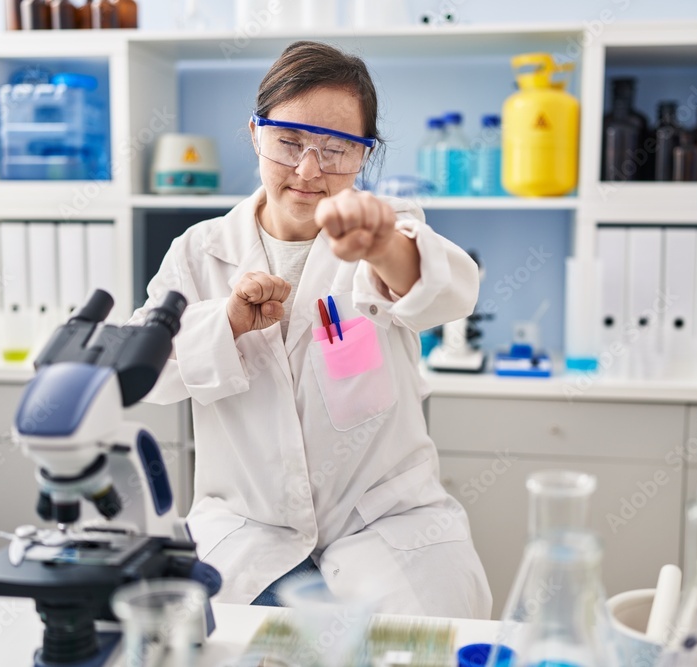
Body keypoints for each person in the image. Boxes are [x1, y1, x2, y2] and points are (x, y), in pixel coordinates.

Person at [128, 40, 492, 619]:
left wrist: (382, 247)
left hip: (387, 529)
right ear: (256, 134)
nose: (309, 170)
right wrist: (225, 323)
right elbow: (145, 371)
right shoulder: (199, 252)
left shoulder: (385, 230)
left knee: (413, 649)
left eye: (337, 149)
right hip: (250, 532)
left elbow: (449, 291)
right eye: (289, 142)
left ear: (365, 154)